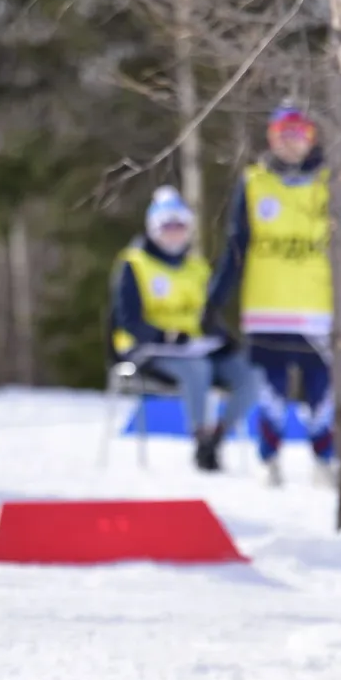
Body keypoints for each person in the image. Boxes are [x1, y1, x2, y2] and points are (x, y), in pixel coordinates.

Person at [207, 103, 341, 486]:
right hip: (267, 304)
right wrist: (216, 297)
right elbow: (237, 244)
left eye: (298, 136)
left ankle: (323, 460)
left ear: (311, 139)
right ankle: (268, 457)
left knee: (320, 387)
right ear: (271, 139)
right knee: (271, 388)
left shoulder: (331, 183)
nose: (291, 145)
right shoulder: (255, 182)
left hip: (316, 305)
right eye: (282, 137)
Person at [112, 186, 258, 471]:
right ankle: (200, 438)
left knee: (249, 374)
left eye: (180, 226)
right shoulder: (134, 264)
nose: (174, 233)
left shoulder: (196, 267)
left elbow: (205, 314)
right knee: (197, 369)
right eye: (167, 226)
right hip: (148, 349)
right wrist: (163, 336)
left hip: (194, 346)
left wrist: (224, 338)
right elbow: (127, 319)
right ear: (154, 228)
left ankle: (217, 438)